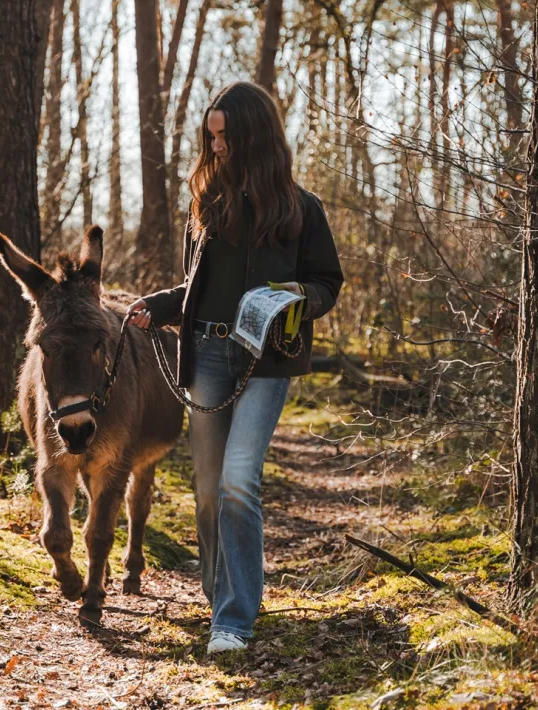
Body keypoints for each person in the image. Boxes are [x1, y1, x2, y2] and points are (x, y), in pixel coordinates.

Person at [127, 81, 344, 654]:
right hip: (207, 355)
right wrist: (158, 307)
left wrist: (296, 294)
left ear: (252, 135)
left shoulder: (302, 209)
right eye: (211, 136)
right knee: (205, 492)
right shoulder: (205, 205)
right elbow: (197, 290)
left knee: (237, 483)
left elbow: (328, 284)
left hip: (266, 363)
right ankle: (221, 596)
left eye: (224, 136)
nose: (215, 146)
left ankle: (234, 619)